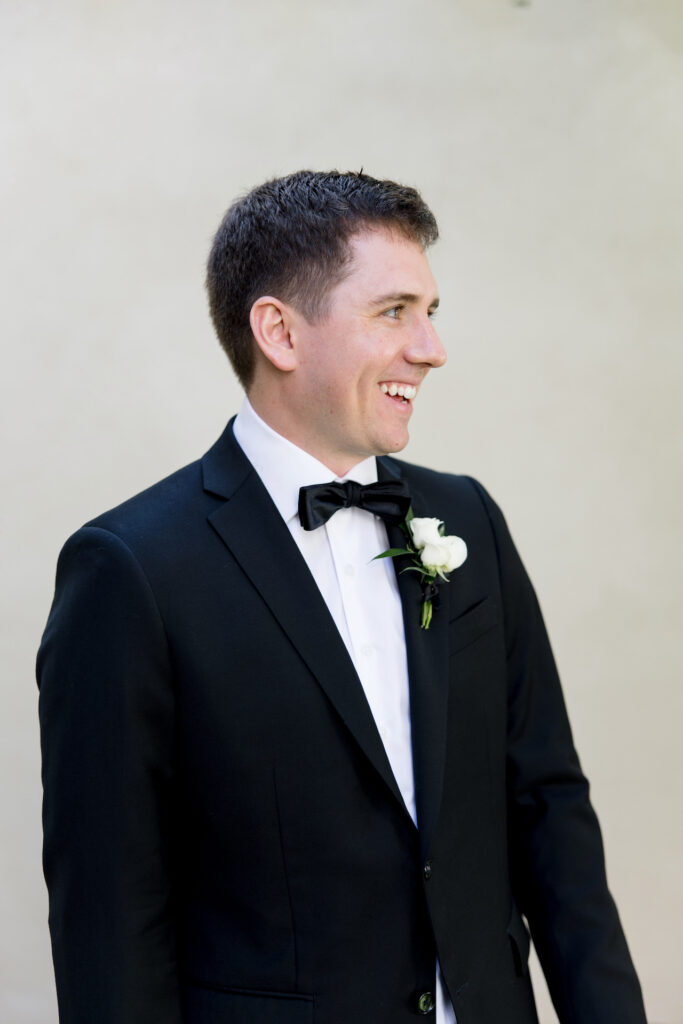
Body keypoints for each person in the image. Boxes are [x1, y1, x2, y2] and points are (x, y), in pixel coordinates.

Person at [37, 170, 646, 1024]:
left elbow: (547, 810)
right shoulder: (130, 569)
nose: (430, 348)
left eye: (431, 313)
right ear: (279, 332)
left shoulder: (465, 517)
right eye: (394, 312)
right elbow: (110, 913)